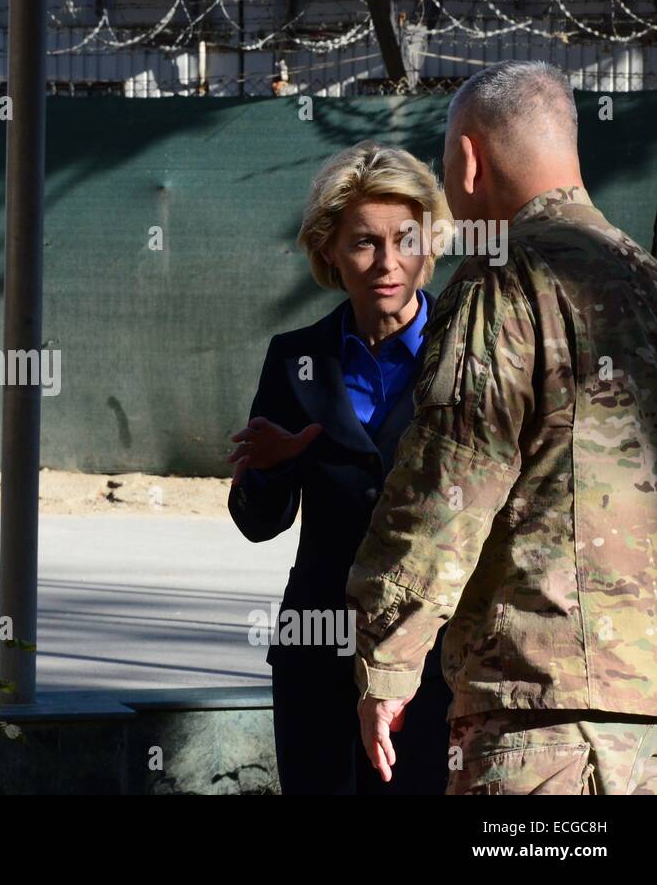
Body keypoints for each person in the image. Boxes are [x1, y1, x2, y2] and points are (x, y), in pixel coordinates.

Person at [348, 60, 657, 794]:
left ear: (468, 160)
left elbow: (448, 487)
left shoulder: (504, 284)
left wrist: (387, 661)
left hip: (545, 728)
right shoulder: (648, 281)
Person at [228, 140, 453, 794]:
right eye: (363, 243)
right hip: (317, 654)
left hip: (434, 661)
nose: (387, 263)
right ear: (328, 248)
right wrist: (265, 471)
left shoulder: (469, 349)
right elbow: (258, 523)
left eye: (404, 240)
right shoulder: (296, 359)